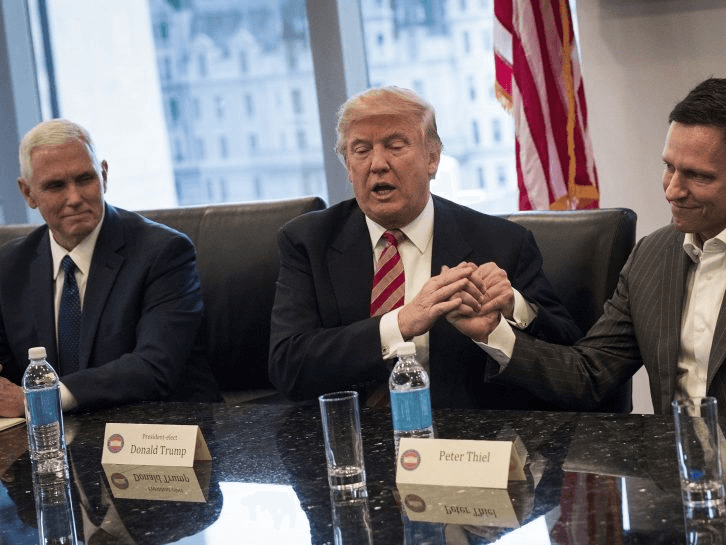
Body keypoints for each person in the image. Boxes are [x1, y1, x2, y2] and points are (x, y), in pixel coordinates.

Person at [463, 77, 726, 418]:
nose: (672, 190)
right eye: (670, 167)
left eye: (697, 175)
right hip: (675, 479)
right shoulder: (652, 254)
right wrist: (494, 332)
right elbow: (590, 375)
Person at [269, 86, 581, 410]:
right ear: (348, 166)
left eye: (395, 146)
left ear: (432, 158)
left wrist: (512, 308)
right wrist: (399, 324)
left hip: (459, 445)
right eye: (361, 150)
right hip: (349, 442)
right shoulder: (308, 241)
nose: (377, 164)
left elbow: (570, 356)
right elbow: (289, 366)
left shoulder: (501, 243)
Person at [0, 119, 221, 417]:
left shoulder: (164, 253)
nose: (75, 198)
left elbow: (153, 368)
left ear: (103, 175)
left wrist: (42, 398)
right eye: (55, 186)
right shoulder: (10, 266)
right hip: (55, 442)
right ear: (28, 193)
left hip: (158, 439)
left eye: (85, 179)